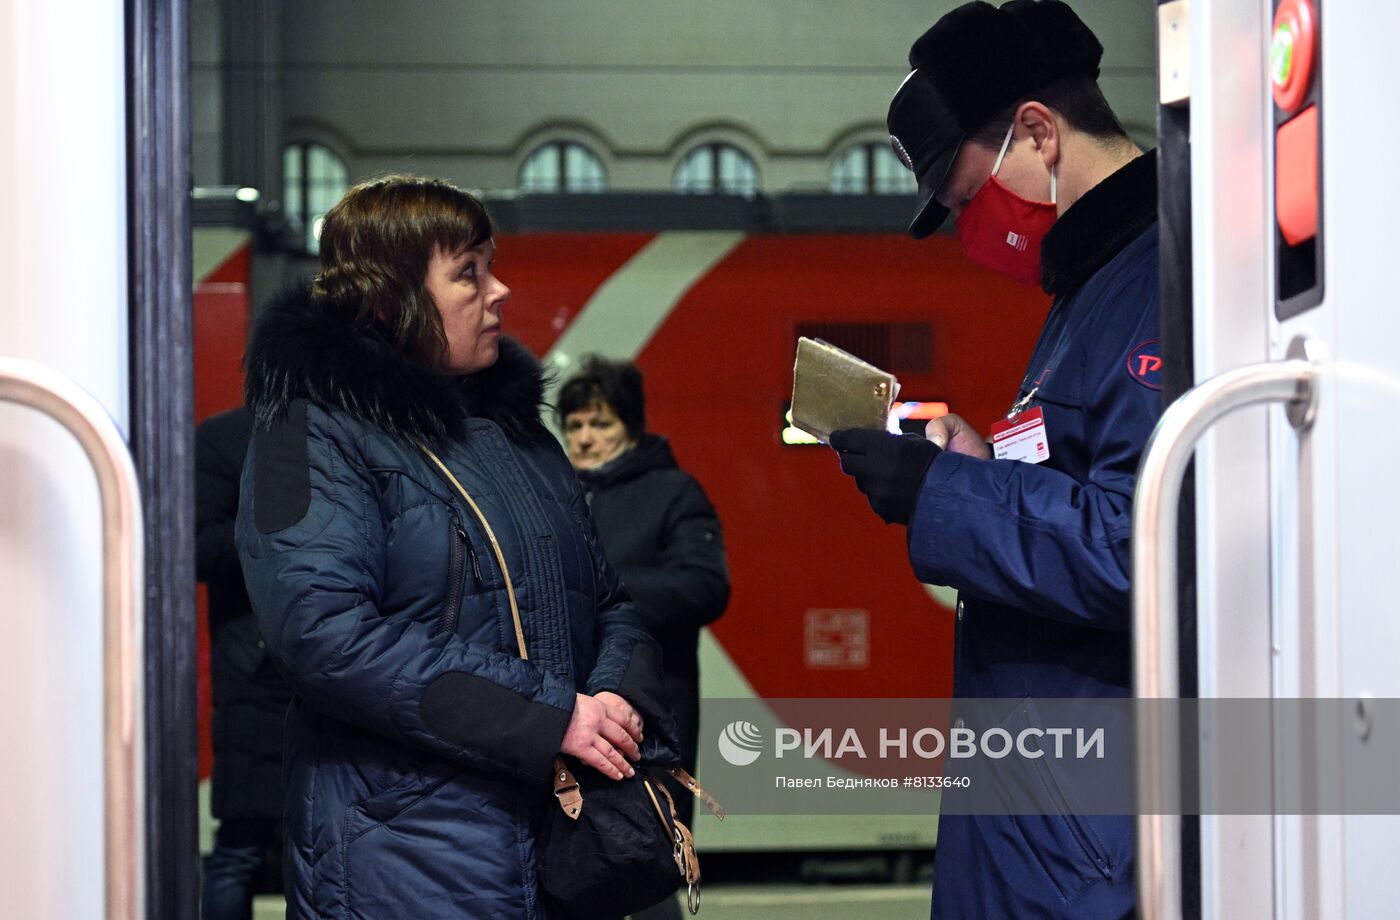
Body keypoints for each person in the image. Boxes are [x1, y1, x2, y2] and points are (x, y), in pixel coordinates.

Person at [235, 175, 679, 920]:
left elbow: (610, 602)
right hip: (406, 866)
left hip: (555, 855)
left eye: (490, 264)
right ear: (389, 298)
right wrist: (550, 717)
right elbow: (325, 636)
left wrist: (610, 702)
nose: (498, 290)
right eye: (467, 272)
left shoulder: (517, 437)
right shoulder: (312, 433)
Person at [829, 3, 1158, 918]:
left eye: (970, 197)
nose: (974, 228)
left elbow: (1147, 547)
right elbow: (1083, 481)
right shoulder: (1092, 289)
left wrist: (946, 495)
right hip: (1047, 802)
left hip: (1088, 821)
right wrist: (975, 464)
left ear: (1038, 132)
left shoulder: (1160, 280)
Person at [556, 357, 729, 831]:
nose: (585, 437)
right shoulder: (554, 495)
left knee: (648, 857)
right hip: (569, 714)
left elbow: (705, 587)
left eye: (600, 423)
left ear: (630, 430)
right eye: (574, 425)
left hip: (649, 715)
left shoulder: (674, 492)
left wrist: (601, 588)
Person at [196, 405, 291, 920]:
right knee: (240, 845)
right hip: (251, 668)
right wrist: (266, 522)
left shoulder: (341, 425)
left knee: (323, 846)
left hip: (327, 664)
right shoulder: (223, 437)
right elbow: (195, 548)